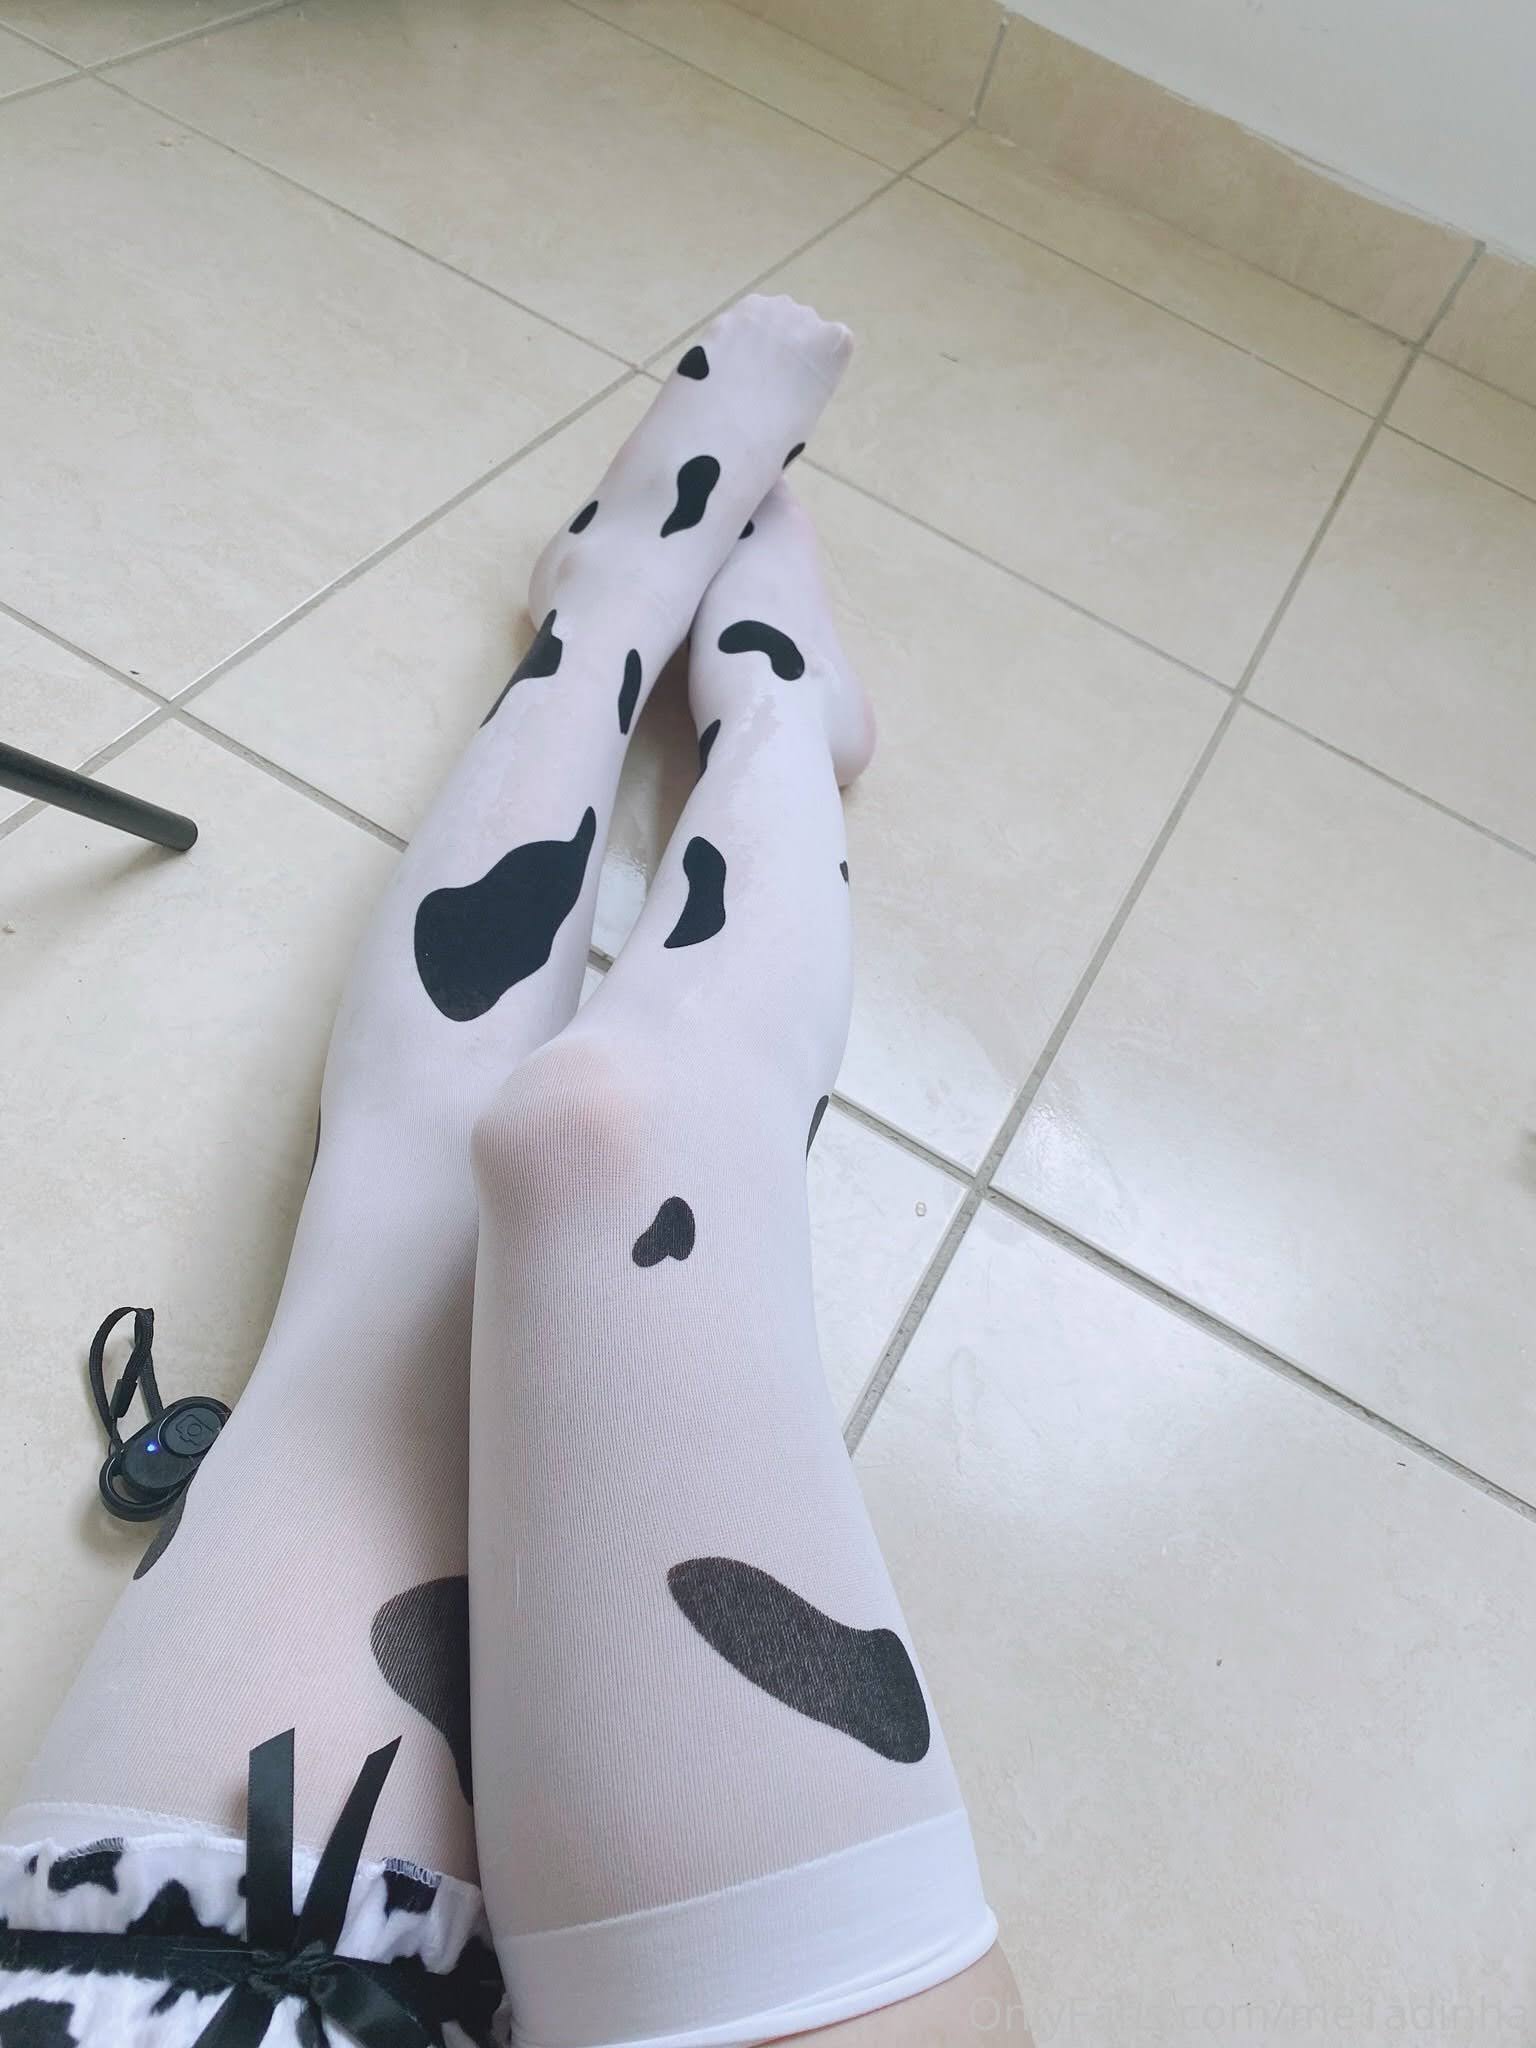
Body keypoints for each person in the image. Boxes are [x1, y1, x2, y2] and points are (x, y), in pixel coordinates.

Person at [0, 297, 1028, 2048]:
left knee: (409, 1225)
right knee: (605, 1140)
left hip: (180, 1977)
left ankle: (611, 611)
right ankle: (776, 715)